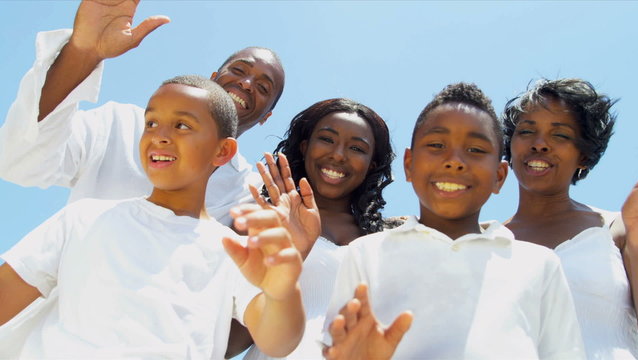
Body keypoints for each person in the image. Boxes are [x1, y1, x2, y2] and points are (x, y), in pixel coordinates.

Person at [0, 75, 307, 359]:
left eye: (182, 126)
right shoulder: (84, 218)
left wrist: (282, 291)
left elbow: (278, 342)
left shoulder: (232, 252)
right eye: (151, 123)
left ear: (222, 151)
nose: (159, 135)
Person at [322, 83, 585, 359]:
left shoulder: (539, 264)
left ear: (499, 176)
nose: (454, 161)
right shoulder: (365, 254)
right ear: (409, 164)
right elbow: (339, 347)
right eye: (436, 145)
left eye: (475, 149)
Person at [0, 0, 285, 226]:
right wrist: (82, 52)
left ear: (266, 117)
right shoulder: (119, 125)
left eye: (263, 87)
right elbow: (19, 163)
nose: (246, 84)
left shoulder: (247, 191)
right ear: (213, 76)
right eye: (238, 70)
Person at [240, 98, 396, 359]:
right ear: (304, 147)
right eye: (327, 139)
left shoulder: (387, 243)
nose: (338, 154)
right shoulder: (265, 220)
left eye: (357, 148)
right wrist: (286, 263)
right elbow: (230, 341)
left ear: (371, 164)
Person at [502, 78, 638, 358]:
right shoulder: (483, 241)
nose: (540, 144)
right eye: (527, 131)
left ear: (584, 156)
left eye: (560, 135)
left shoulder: (619, 227)